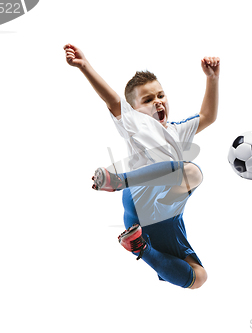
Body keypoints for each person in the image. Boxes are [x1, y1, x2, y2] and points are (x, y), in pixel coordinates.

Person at [63, 44, 220, 289]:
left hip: (163, 217)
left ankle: (141, 247)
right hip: (141, 196)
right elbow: (112, 99)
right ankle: (117, 180)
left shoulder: (178, 131)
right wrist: (85, 67)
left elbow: (208, 116)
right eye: (148, 99)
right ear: (134, 109)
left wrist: (212, 78)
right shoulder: (136, 123)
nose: (158, 102)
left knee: (198, 277)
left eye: (161, 96)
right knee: (192, 172)